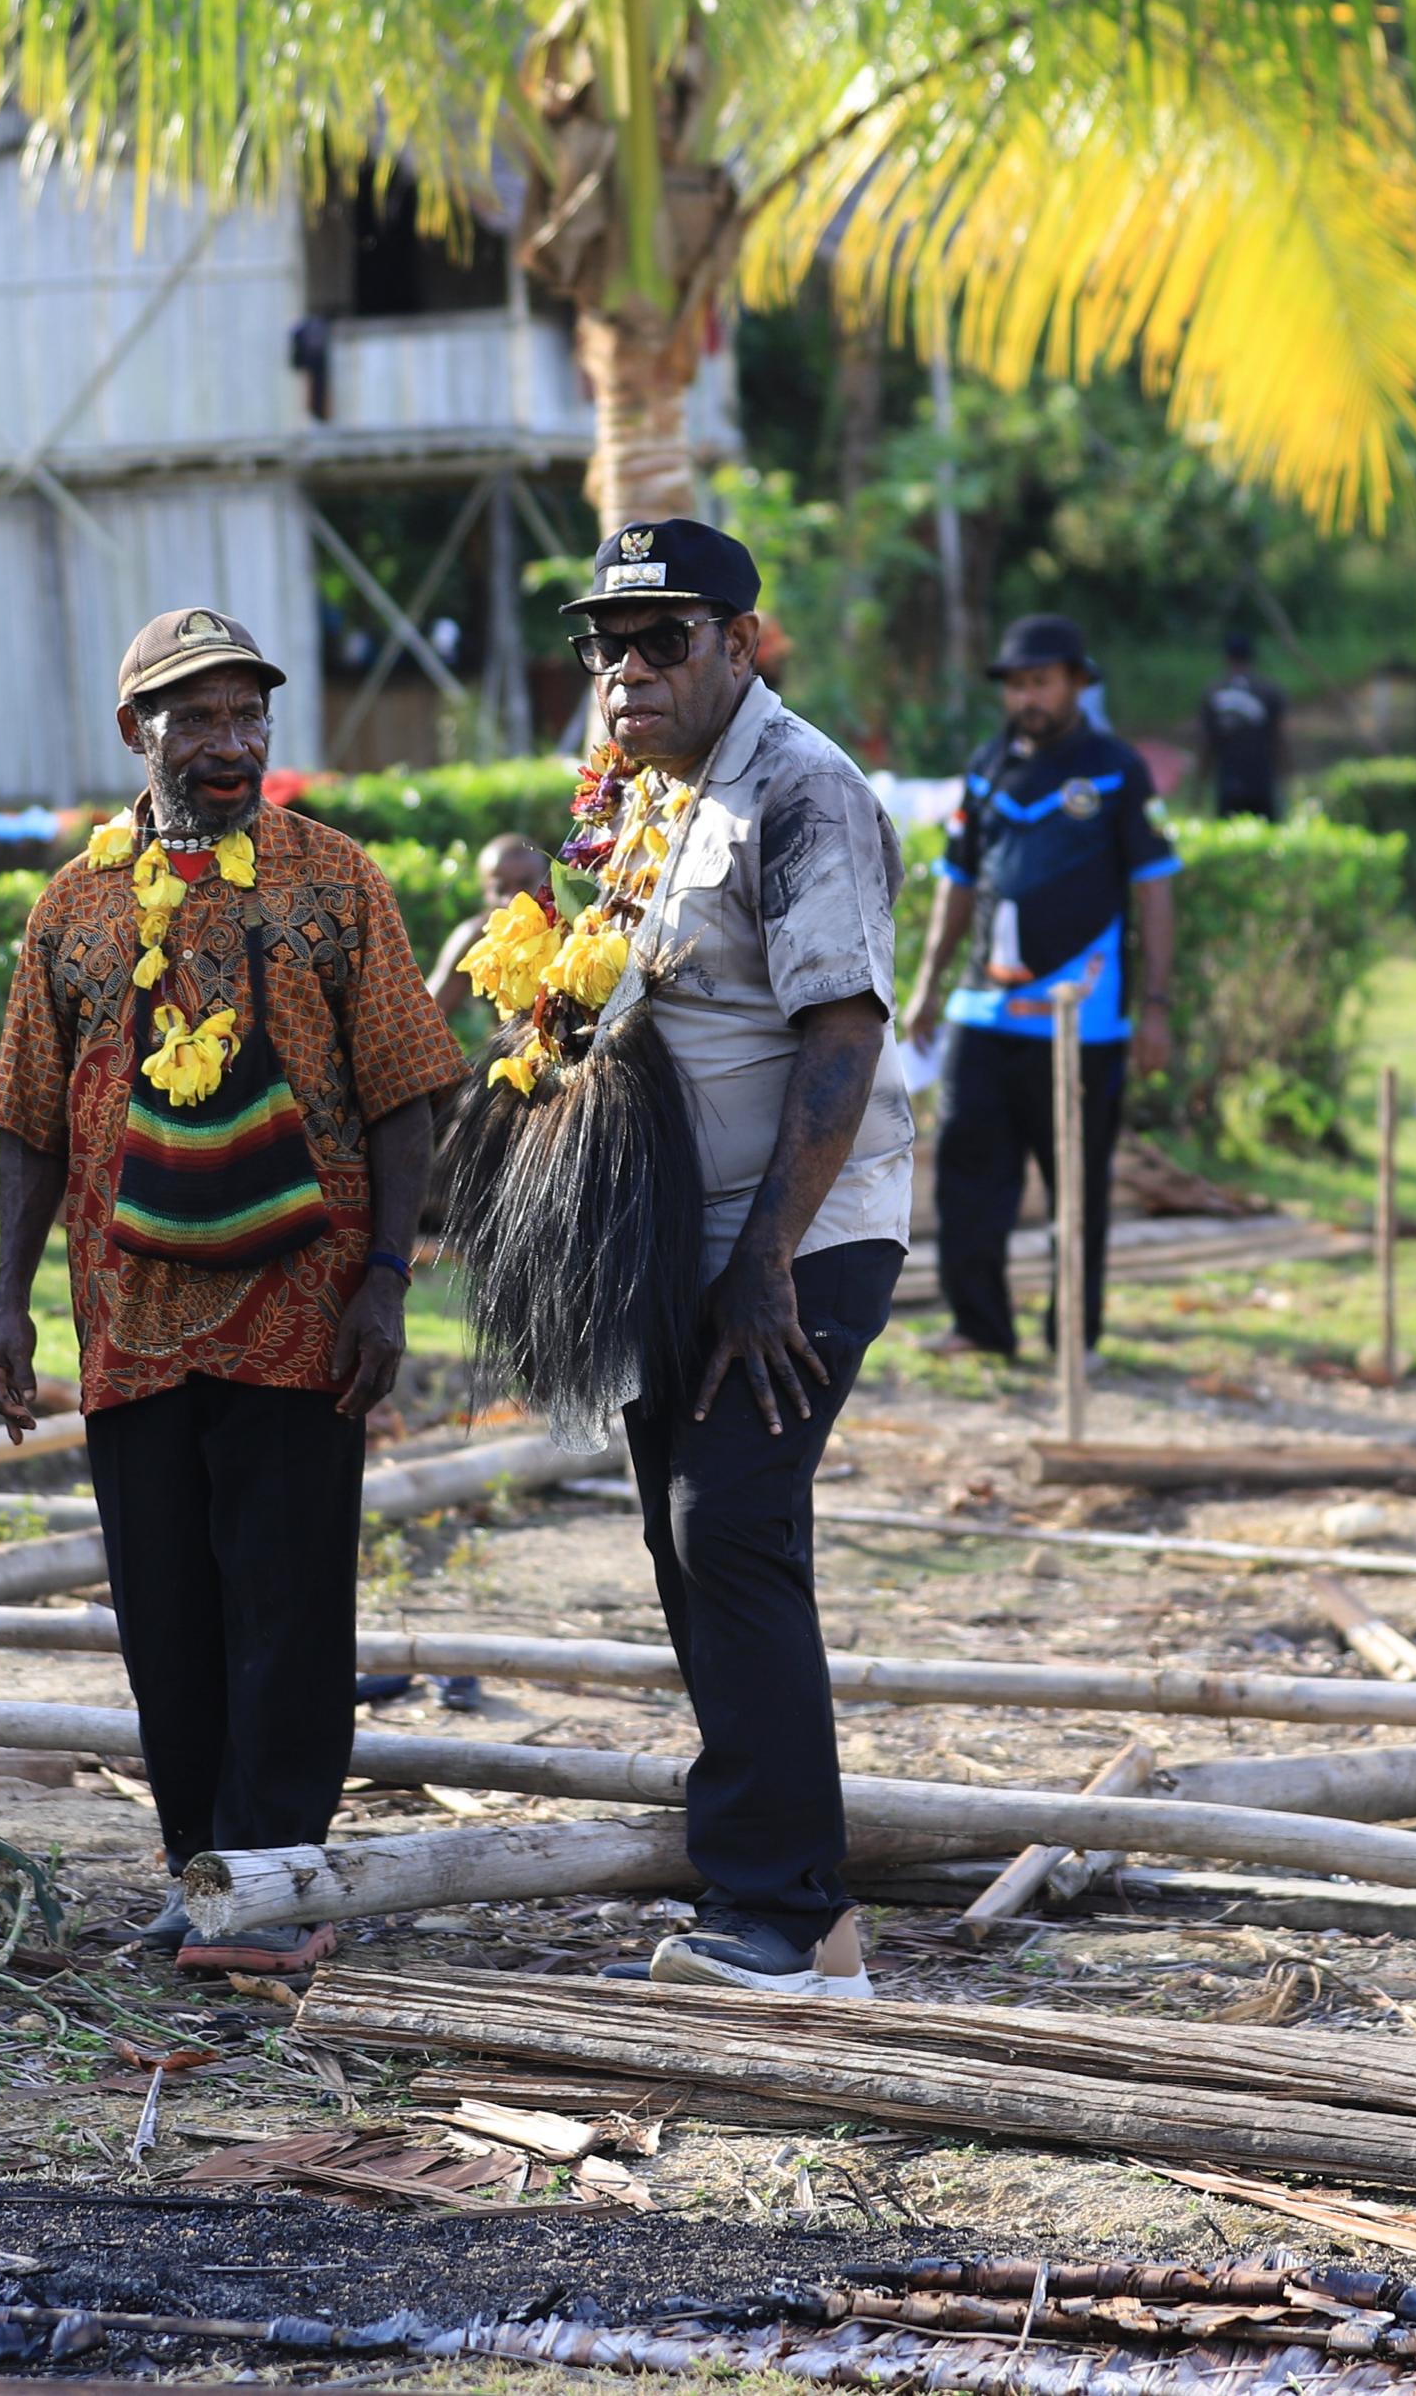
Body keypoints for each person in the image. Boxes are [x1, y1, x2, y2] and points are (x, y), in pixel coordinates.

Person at [0, 607, 461, 1976]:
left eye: (248, 714)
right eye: (196, 718)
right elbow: (27, 1121)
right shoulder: (72, 902)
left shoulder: (333, 879)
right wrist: (9, 1305)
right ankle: (205, 1871)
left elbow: (411, 1092)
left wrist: (386, 1284)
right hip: (128, 1326)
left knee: (292, 1601)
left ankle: (274, 1877)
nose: (229, 742)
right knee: (167, 1619)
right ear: (138, 734)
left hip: (307, 1315)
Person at [567, 516, 912, 1996]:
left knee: (733, 1528)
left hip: (797, 1238)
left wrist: (767, 1256)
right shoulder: (649, 795)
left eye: (665, 639)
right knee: (680, 1541)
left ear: (739, 644)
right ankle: (797, 1913)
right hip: (674, 1241)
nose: (629, 670)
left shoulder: (801, 789)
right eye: (608, 643)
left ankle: (776, 1910)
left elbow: (841, 1030)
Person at [901, 613, 1179, 1363]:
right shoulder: (989, 766)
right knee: (965, 1176)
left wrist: (1155, 1007)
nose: (1027, 696)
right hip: (981, 1012)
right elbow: (958, 883)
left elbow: (1154, 889)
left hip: (1079, 1023)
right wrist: (927, 987)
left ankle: (1072, 1341)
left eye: (1042, 681)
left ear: (1078, 684)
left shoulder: (1118, 768)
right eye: (1017, 683)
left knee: (1076, 1190)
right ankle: (980, 1325)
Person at [426, 833, 553, 1020]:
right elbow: (423, 1018)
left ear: (549, 882)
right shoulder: (475, 938)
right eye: (500, 889)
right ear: (485, 892)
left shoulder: (572, 929)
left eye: (525, 884)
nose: (513, 899)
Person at [1199, 630, 1290, 820]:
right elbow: (1279, 739)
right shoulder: (1269, 691)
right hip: (1261, 780)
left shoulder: (1213, 693)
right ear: (1252, 657)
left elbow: (1207, 744)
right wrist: (1287, 778)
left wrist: (1199, 787)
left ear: (1227, 657)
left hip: (1229, 782)